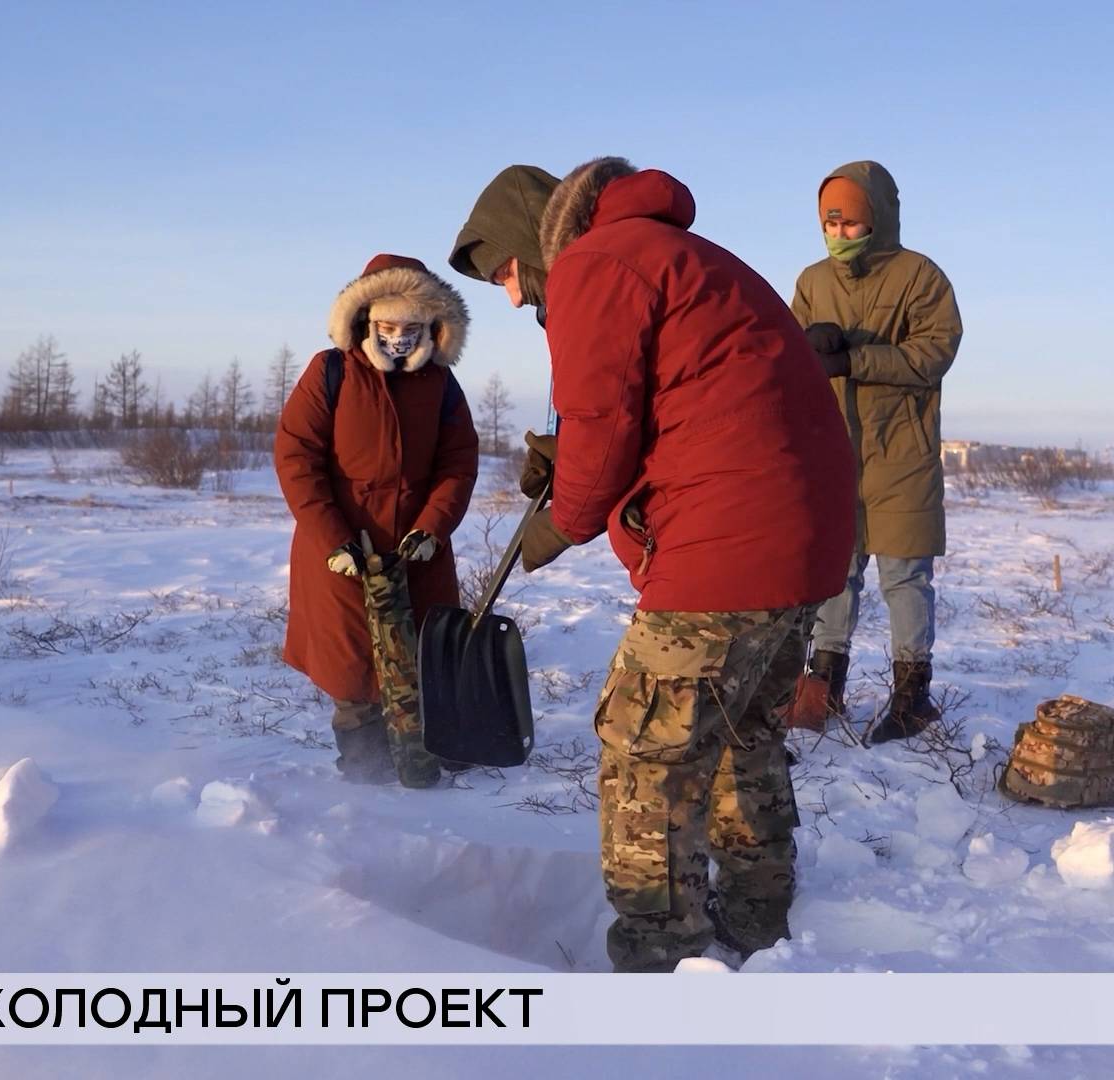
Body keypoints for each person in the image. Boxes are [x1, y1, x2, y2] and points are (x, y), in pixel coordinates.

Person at [451, 156, 856, 971]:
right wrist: (571, 455)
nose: (515, 295)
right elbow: (683, 401)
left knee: (645, 753)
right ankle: (755, 918)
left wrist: (555, 522)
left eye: (505, 271)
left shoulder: (593, 265)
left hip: (727, 547)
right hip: (804, 542)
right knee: (743, 733)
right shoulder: (680, 254)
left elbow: (602, 448)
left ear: (538, 240)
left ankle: (655, 960)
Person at [275, 254, 479, 788]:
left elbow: (458, 461)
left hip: (417, 553)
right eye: (387, 327)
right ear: (365, 320)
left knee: (423, 659)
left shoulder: (441, 384)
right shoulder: (331, 371)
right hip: (344, 553)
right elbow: (297, 458)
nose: (398, 339)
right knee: (353, 667)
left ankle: (423, 762)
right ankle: (366, 780)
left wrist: (434, 526)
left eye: (410, 328)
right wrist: (333, 539)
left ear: (431, 327)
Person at [789, 161, 962, 745]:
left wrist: (854, 357)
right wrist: (806, 349)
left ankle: (912, 698)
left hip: (900, 454)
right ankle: (823, 687)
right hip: (834, 451)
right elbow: (787, 355)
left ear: (879, 219)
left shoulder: (921, 277)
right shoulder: (813, 283)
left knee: (903, 578)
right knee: (834, 575)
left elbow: (932, 354)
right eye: (829, 224)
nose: (839, 236)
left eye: (851, 224)